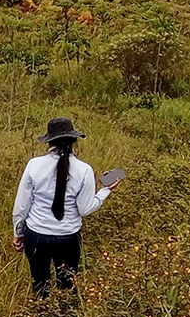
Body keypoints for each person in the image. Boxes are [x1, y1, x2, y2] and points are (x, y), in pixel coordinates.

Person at [11, 117, 118, 298]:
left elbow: (22, 205)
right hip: (67, 238)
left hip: (36, 235)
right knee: (67, 287)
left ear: (49, 141)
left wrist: (18, 232)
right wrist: (104, 191)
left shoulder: (34, 165)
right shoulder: (84, 170)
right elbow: (85, 209)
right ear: (73, 141)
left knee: (39, 283)